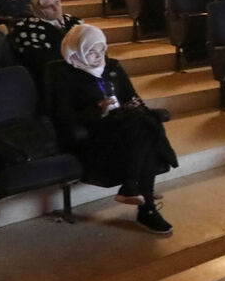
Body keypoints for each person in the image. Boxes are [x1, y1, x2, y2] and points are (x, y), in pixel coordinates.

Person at [51, 24, 177, 235]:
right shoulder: (65, 76)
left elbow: (132, 97)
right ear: (77, 50)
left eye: (101, 49)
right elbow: (63, 117)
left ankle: (133, 190)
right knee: (146, 129)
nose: (98, 56)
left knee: (143, 123)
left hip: (125, 128)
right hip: (93, 134)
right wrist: (97, 110)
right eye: (91, 51)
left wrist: (133, 106)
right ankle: (144, 208)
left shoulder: (113, 68)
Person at [10, 0, 83, 80]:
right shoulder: (26, 29)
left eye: (57, 3)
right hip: (54, 76)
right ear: (38, 10)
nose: (56, 8)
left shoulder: (73, 21)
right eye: (50, 6)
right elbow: (39, 61)